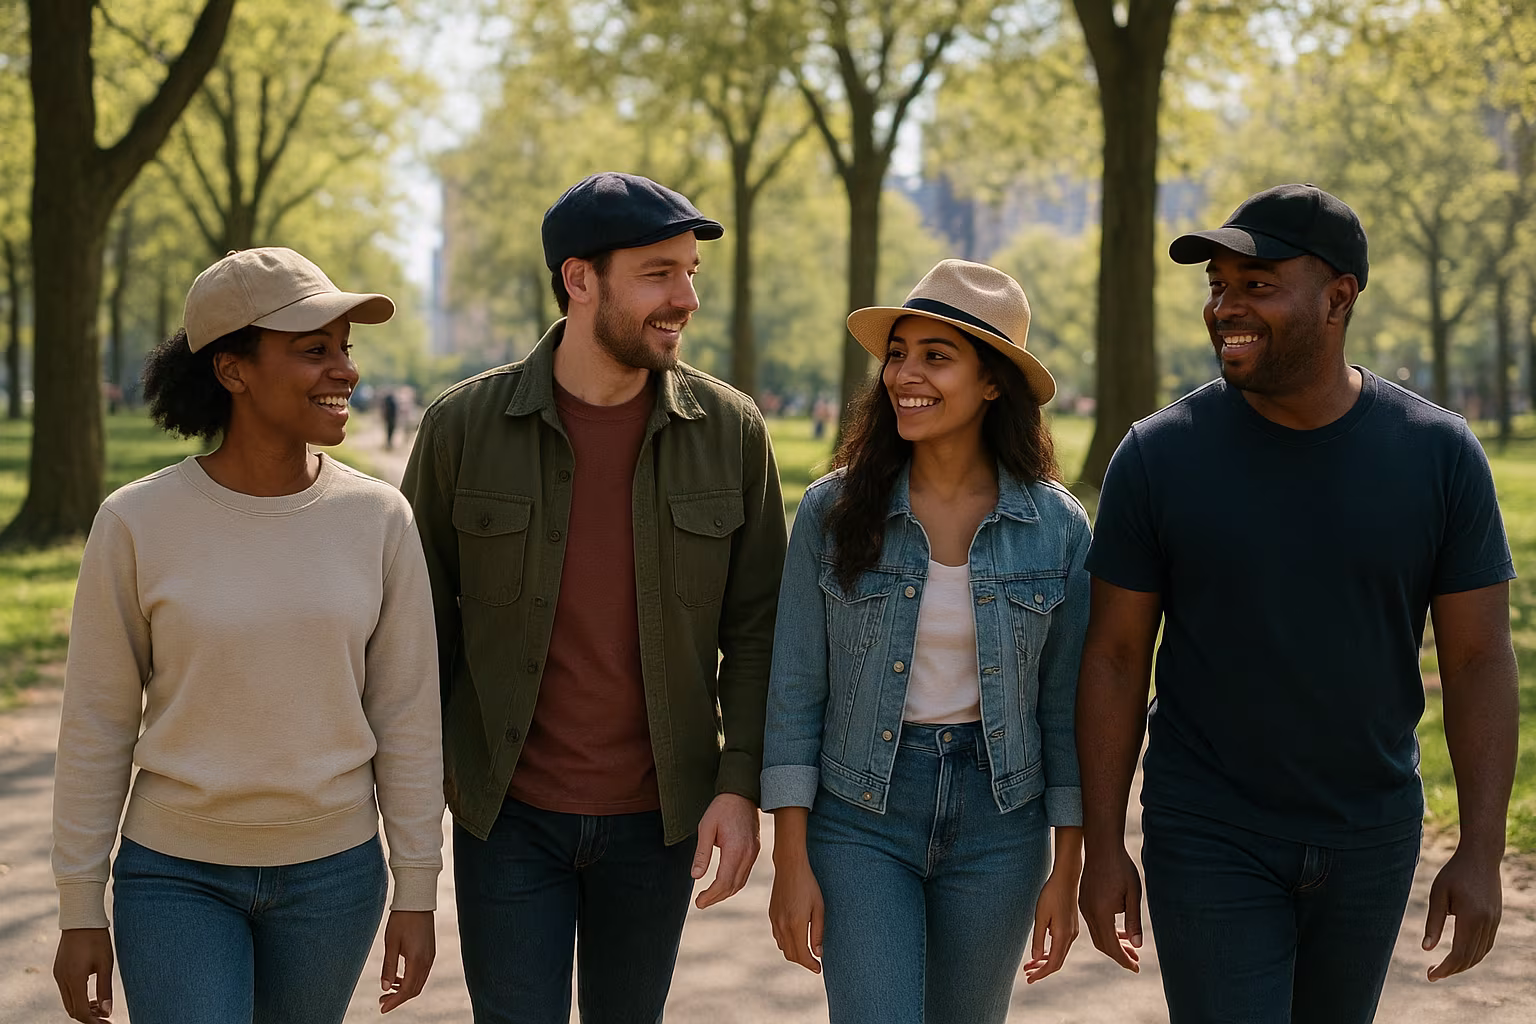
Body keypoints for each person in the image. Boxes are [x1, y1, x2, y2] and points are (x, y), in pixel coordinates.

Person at [1077, 184, 1519, 1022]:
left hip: (1371, 833)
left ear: (1339, 297)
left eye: (1257, 284)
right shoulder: (1158, 456)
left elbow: (1477, 659)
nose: (1226, 307)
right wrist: (1106, 847)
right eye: (1218, 285)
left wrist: (1483, 850)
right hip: (1209, 830)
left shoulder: (1439, 455)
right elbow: (1115, 656)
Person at [401, 172, 788, 1023]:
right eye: (659, 273)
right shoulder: (462, 429)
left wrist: (739, 782)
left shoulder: (731, 433)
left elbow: (759, 626)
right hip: (507, 815)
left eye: (690, 273)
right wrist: (411, 800)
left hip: (660, 819)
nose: (685, 298)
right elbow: (416, 629)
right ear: (580, 280)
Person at [51, 247, 445, 1024]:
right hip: (175, 878)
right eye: (313, 349)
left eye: (344, 348)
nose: (345, 371)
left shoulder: (379, 520)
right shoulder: (135, 522)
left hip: (335, 879)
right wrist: (78, 904)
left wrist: (419, 889)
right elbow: (95, 720)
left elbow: (406, 714)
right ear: (233, 369)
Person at [762, 259, 1090, 1024]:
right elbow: (795, 689)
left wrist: (1067, 864)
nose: (906, 373)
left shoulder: (1058, 527)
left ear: (993, 382)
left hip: (1000, 826)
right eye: (899, 354)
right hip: (861, 817)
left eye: (936, 356)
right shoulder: (832, 511)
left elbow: (1066, 709)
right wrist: (791, 856)